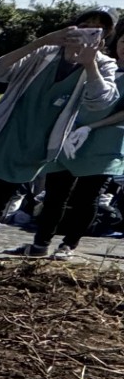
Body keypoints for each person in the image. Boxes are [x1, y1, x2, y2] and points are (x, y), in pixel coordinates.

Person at [0, 10, 118, 258]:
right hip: (0, 131)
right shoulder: (43, 53)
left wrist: (89, 63)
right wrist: (42, 40)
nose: (88, 32)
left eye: (97, 30)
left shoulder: (104, 64)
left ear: (104, 39)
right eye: (83, 26)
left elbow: (100, 101)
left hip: (35, 142)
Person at [24, 24, 124, 257]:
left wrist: (92, 127)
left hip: (105, 141)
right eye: (122, 42)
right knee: (56, 193)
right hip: (70, 135)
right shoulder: (101, 64)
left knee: (87, 197)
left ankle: (69, 245)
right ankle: (40, 243)